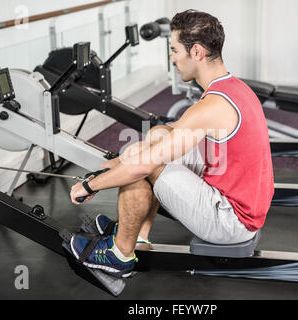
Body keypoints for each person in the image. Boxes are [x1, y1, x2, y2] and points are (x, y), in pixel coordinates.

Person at [69, 9, 274, 277]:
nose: (172, 58)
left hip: (232, 221)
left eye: (175, 50)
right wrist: (114, 165)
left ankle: (119, 255)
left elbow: (145, 165)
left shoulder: (212, 105)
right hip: (241, 206)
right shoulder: (233, 88)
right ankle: (138, 239)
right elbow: (171, 132)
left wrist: (88, 185)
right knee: (151, 142)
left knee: (146, 164)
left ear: (197, 52)